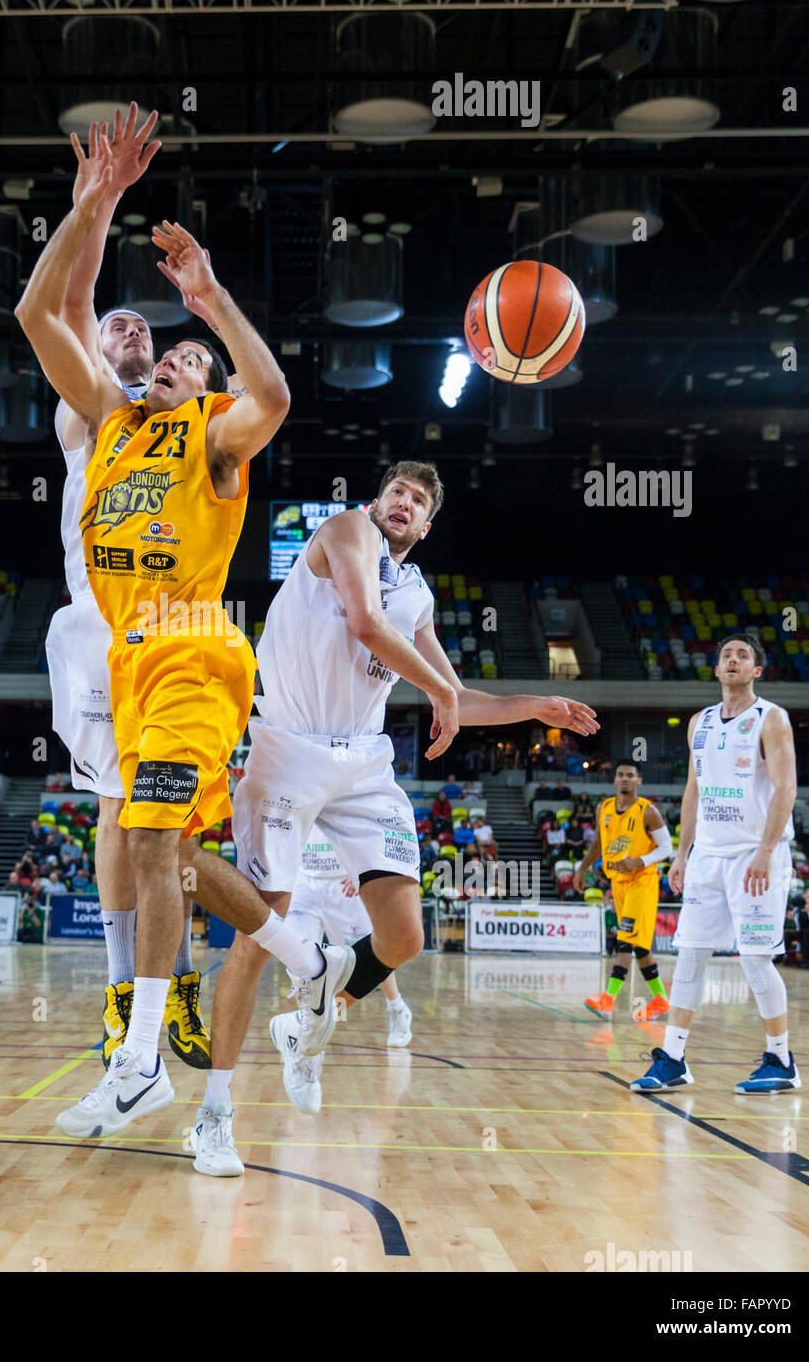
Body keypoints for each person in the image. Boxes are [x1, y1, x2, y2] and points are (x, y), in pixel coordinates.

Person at [17, 120, 345, 1141]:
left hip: (194, 652)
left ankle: (137, 1058)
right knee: (167, 852)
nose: (168, 358)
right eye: (166, 348)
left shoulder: (213, 440)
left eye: (186, 357)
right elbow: (39, 309)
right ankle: (305, 958)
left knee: (151, 839)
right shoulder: (104, 423)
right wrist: (90, 200)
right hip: (120, 658)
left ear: (201, 387)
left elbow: (277, 395)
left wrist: (209, 302)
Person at [196, 462, 599, 1176]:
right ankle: (214, 1115)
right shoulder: (346, 531)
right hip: (289, 750)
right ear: (375, 502)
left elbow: (453, 693)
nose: (403, 503)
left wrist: (531, 704)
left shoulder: (417, 592)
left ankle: (305, 1018)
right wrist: (442, 691)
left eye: (417, 500)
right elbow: (364, 623)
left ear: (428, 524)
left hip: (363, 768)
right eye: (396, 493)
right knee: (259, 935)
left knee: (405, 936)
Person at [630, 632, 801, 1095]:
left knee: (755, 959)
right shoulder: (698, 723)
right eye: (726, 654)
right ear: (716, 667)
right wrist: (682, 853)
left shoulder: (772, 718)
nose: (732, 660)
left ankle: (781, 1060)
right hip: (708, 855)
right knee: (689, 957)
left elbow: (786, 789)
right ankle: (674, 1058)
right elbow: (693, 791)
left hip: (755, 855)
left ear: (756, 671)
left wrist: (767, 850)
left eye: (742, 656)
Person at [275, 824, 413, 1113]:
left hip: (343, 883)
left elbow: (371, 820)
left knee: (375, 953)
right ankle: (307, 1050)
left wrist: (362, 870)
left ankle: (397, 1008)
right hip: (304, 882)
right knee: (305, 970)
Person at [574, 762, 672, 1023]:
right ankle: (660, 1000)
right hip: (618, 883)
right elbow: (598, 844)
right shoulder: (603, 807)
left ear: (639, 780)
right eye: (621, 775)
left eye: (630, 775)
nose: (625, 779)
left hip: (642, 882)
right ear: (615, 780)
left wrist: (638, 862)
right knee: (639, 946)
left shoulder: (647, 811)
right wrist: (582, 868)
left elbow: (666, 849)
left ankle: (608, 1000)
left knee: (625, 939)